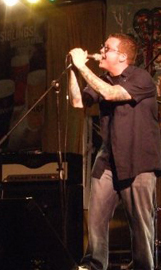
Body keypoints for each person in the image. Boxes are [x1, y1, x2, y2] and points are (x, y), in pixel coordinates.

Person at [68, 33, 161, 270]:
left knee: (141, 225)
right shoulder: (104, 79)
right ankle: (94, 264)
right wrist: (72, 69)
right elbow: (78, 102)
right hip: (108, 161)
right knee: (96, 217)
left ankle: (144, 266)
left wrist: (82, 67)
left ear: (122, 56)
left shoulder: (142, 78)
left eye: (107, 47)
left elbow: (112, 94)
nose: (101, 50)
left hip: (138, 162)